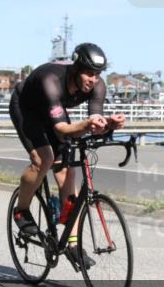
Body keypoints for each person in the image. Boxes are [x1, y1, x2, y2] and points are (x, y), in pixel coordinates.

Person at [9, 43, 127, 270]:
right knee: (43, 159)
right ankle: (21, 210)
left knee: (67, 173)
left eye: (97, 74)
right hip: (26, 109)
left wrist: (108, 124)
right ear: (75, 69)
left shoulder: (97, 86)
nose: (93, 80)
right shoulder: (51, 79)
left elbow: (95, 122)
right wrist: (87, 124)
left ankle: (73, 244)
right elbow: (62, 129)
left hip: (53, 112)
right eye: (89, 74)